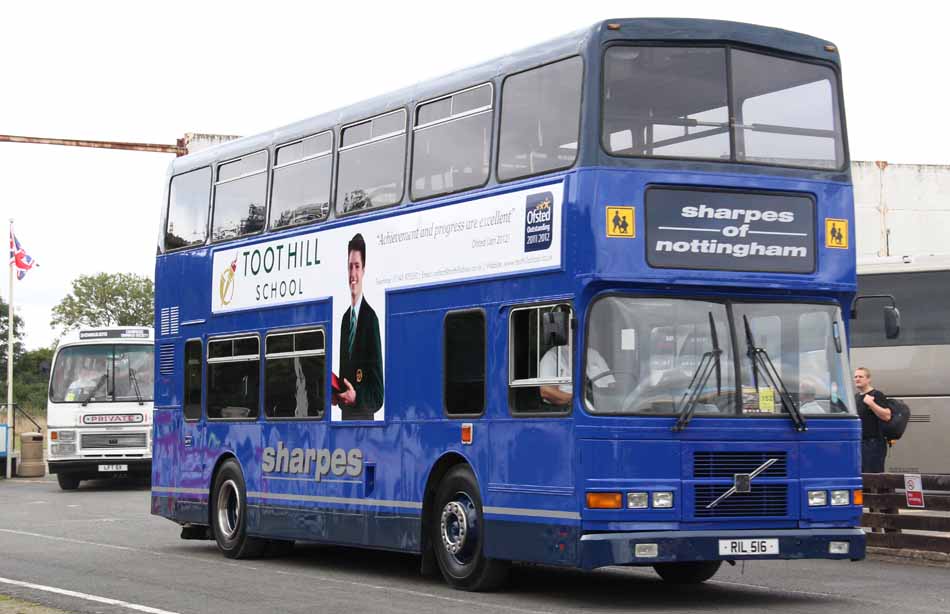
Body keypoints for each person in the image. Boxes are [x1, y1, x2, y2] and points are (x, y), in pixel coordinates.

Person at [333, 233, 384, 420]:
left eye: (357, 266)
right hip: (345, 425)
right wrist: (336, 395)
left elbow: (378, 396)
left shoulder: (371, 320)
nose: (353, 275)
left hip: (364, 428)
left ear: (363, 270)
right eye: (350, 267)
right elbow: (345, 379)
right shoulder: (345, 319)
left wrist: (356, 398)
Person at [539, 343, 613, 406]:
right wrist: (579, 400)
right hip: (568, 410)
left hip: (602, 406)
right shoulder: (554, 354)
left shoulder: (594, 354)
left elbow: (611, 385)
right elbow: (546, 391)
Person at [854, 367, 891, 473]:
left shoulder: (876, 395)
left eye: (861, 376)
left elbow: (887, 416)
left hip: (873, 444)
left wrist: (871, 404)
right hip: (859, 443)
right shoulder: (856, 397)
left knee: (873, 477)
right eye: (855, 377)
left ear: (868, 379)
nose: (857, 379)